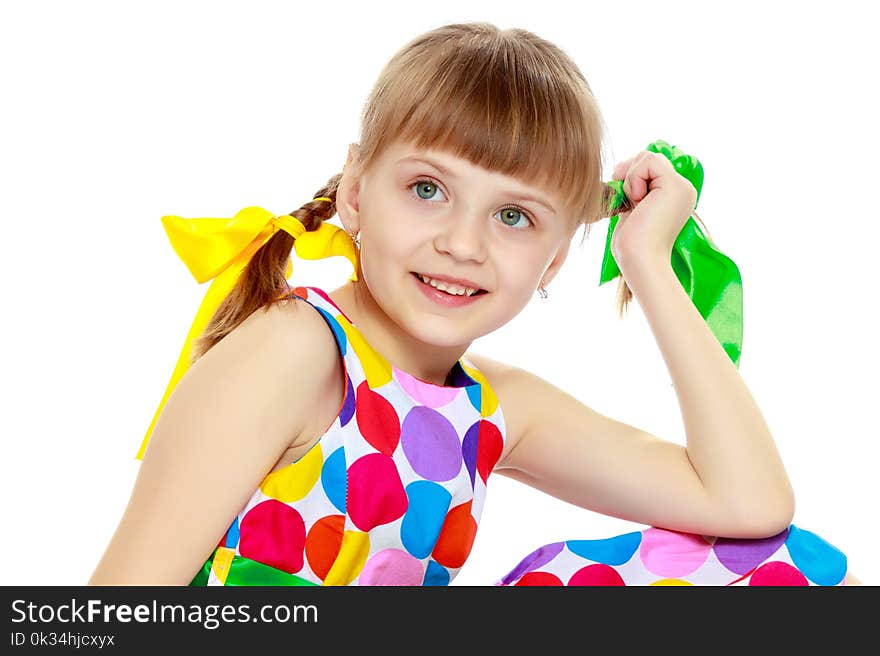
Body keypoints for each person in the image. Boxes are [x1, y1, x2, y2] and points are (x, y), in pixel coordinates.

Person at [87, 21, 857, 586]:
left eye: (514, 216)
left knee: (787, 566)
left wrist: (646, 261)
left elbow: (750, 503)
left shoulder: (496, 409)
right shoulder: (295, 351)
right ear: (355, 191)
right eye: (428, 189)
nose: (464, 243)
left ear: (556, 255)